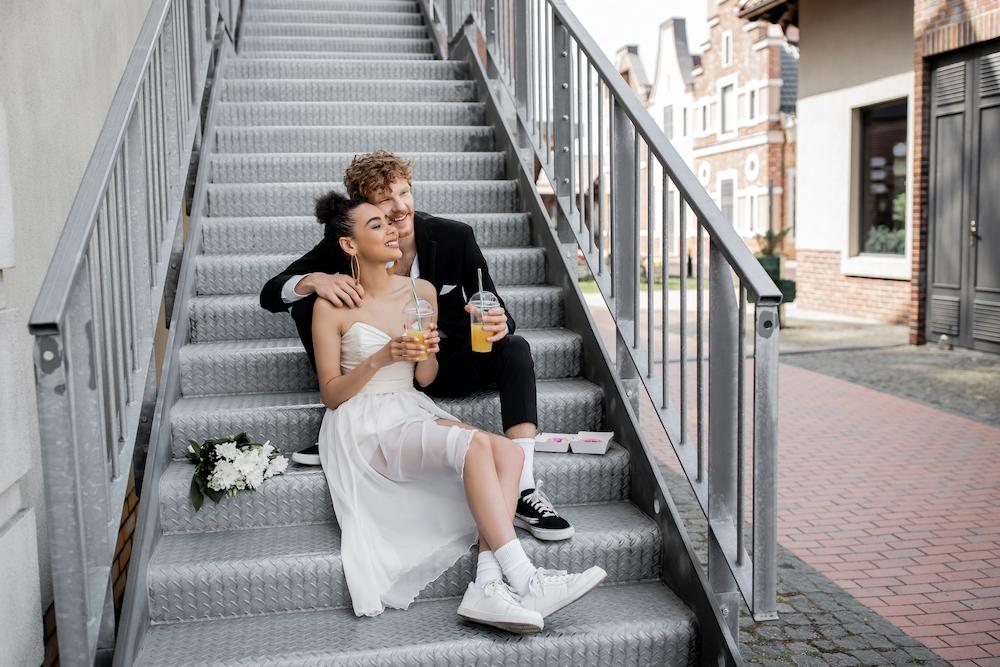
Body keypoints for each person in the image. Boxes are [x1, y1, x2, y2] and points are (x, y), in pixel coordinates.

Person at [309, 191, 605, 632]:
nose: (391, 228)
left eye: (390, 223)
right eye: (376, 225)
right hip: (362, 422)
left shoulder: (420, 290)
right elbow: (332, 395)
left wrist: (425, 350)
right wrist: (382, 357)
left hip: (408, 405)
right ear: (350, 245)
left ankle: (487, 582)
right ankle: (524, 578)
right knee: (472, 446)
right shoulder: (329, 304)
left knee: (508, 453)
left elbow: (426, 378)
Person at [260, 151, 573, 541]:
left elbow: (492, 302)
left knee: (515, 348)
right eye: (384, 199)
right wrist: (314, 280)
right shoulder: (348, 240)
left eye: (404, 192)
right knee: (312, 301)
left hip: (441, 365)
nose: (399, 207)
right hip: (378, 378)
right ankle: (346, 422)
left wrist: (498, 322)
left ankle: (525, 488)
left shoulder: (453, 236)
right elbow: (272, 292)